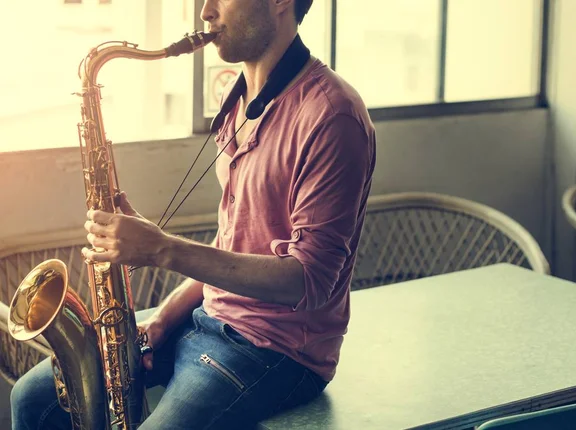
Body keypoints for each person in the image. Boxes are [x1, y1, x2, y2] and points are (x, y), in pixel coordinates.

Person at [10, 0, 376, 428]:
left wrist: (163, 250)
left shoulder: (333, 116)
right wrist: (164, 317)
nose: (205, 12)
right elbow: (233, 244)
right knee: (31, 398)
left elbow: (309, 281)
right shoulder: (236, 97)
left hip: (278, 351)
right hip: (207, 316)